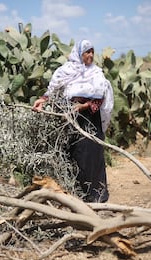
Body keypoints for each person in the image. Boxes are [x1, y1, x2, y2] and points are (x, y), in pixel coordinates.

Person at [33, 39, 114, 203]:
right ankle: (75, 196)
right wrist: (42, 100)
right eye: (87, 52)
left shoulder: (96, 73)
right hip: (70, 119)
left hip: (90, 119)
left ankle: (96, 196)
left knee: (91, 156)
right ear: (78, 54)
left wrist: (85, 106)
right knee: (73, 155)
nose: (90, 55)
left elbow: (100, 97)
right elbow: (54, 91)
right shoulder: (65, 71)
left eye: (92, 51)